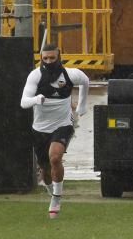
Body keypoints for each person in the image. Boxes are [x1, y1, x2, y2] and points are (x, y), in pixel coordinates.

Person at [20, 43, 90, 219]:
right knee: (45, 169)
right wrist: (36, 99)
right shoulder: (35, 76)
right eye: (45, 58)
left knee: (55, 157)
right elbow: (24, 101)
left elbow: (85, 81)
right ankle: (51, 191)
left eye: (52, 58)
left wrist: (81, 106)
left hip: (63, 124)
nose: (49, 61)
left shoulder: (70, 74)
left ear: (59, 57)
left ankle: (57, 199)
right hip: (40, 128)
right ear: (41, 59)